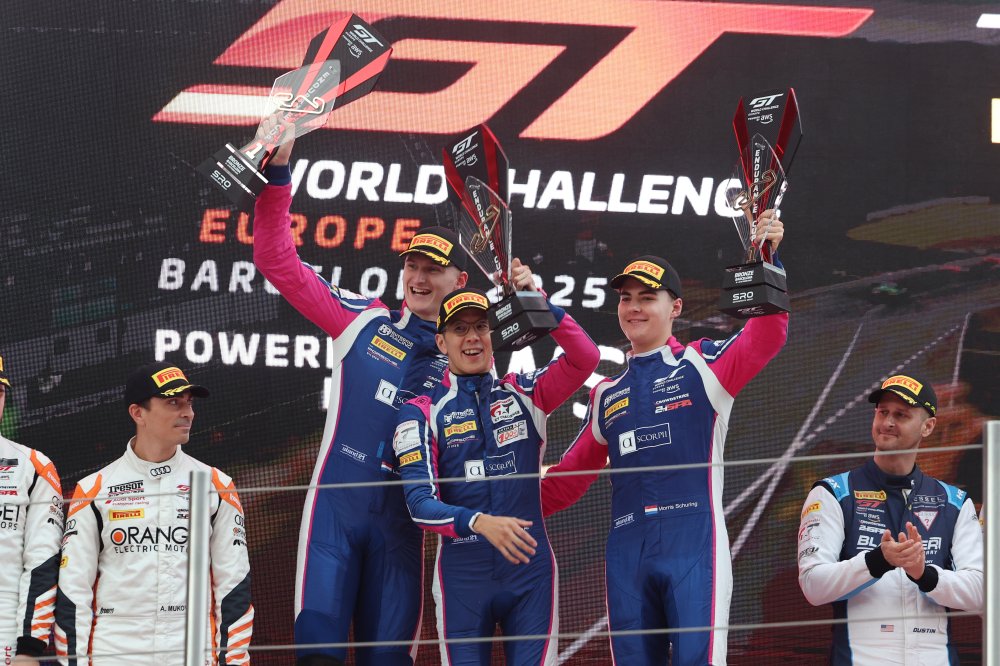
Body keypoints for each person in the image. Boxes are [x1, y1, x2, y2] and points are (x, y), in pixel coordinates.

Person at [252, 133, 470, 666]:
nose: (418, 278)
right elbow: (277, 260)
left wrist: (532, 298)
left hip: (403, 531)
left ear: (459, 279)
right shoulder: (362, 321)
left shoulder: (472, 359)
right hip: (336, 515)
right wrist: (278, 173)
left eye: (432, 269)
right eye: (412, 265)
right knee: (317, 656)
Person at [539, 215, 787, 666]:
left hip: (693, 545)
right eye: (626, 298)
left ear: (675, 307)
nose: (634, 308)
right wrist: (491, 506)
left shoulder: (703, 364)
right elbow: (567, 481)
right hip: (626, 554)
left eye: (647, 297)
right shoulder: (606, 394)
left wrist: (768, 257)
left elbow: (767, 335)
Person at [392, 285, 599, 665]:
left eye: (481, 327)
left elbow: (586, 357)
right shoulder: (421, 412)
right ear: (442, 342)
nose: (472, 337)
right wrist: (479, 522)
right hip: (463, 581)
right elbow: (420, 505)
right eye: (459, 329)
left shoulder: (526, 393)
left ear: (493, 335)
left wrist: (535, 298)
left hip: (531, 574)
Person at [54, 363, 253, 665]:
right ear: (138, 413)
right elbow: (73, 590)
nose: (188, 413)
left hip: (191, 650)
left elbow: (234, 585)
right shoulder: (94, 488)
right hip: (116, 652)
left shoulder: (215, 484)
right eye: (174, 403)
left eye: (189, 403)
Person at [797, 372, 983, 664]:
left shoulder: (954, 502)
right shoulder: (834, 493)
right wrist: (878, 561)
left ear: (928, 426)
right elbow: (813, 586)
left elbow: (981, 592)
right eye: (882, 412)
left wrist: (924, 574)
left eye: (901, 415)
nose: (887, 422)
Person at [0, 354, 63, 665]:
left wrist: (29, 647)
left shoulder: (34, 466)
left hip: (4, 635)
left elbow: (43, 559)